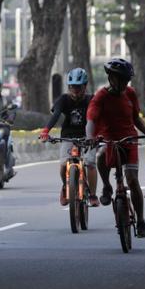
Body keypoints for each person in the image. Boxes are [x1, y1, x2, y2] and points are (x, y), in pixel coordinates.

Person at [86, 58, 145, 237]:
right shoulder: (100, 97)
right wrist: (91, 138)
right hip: (109, 140)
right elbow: (91, 121)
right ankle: (107, 186)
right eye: (120, 79)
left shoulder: (130, 93)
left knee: (132, 179)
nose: (123, 83)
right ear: (111, 78)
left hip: (129, 140)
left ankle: (140, 221)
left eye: (126, 80)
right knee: (101, 157)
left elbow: (136, 118)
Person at [40, 68, 98, 206]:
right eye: (72, 87)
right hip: (68, 136)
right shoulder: (63, 99)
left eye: (78, 88)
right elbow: (56, 115)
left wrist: (99, 134)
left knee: (90, 163)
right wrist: (46, 131)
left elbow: (97, 118)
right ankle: (66, 187)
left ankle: (93, 195)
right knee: (63, 165)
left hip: (88, 136)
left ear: (85, 86)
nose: (75, 91)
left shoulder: (91, 99)